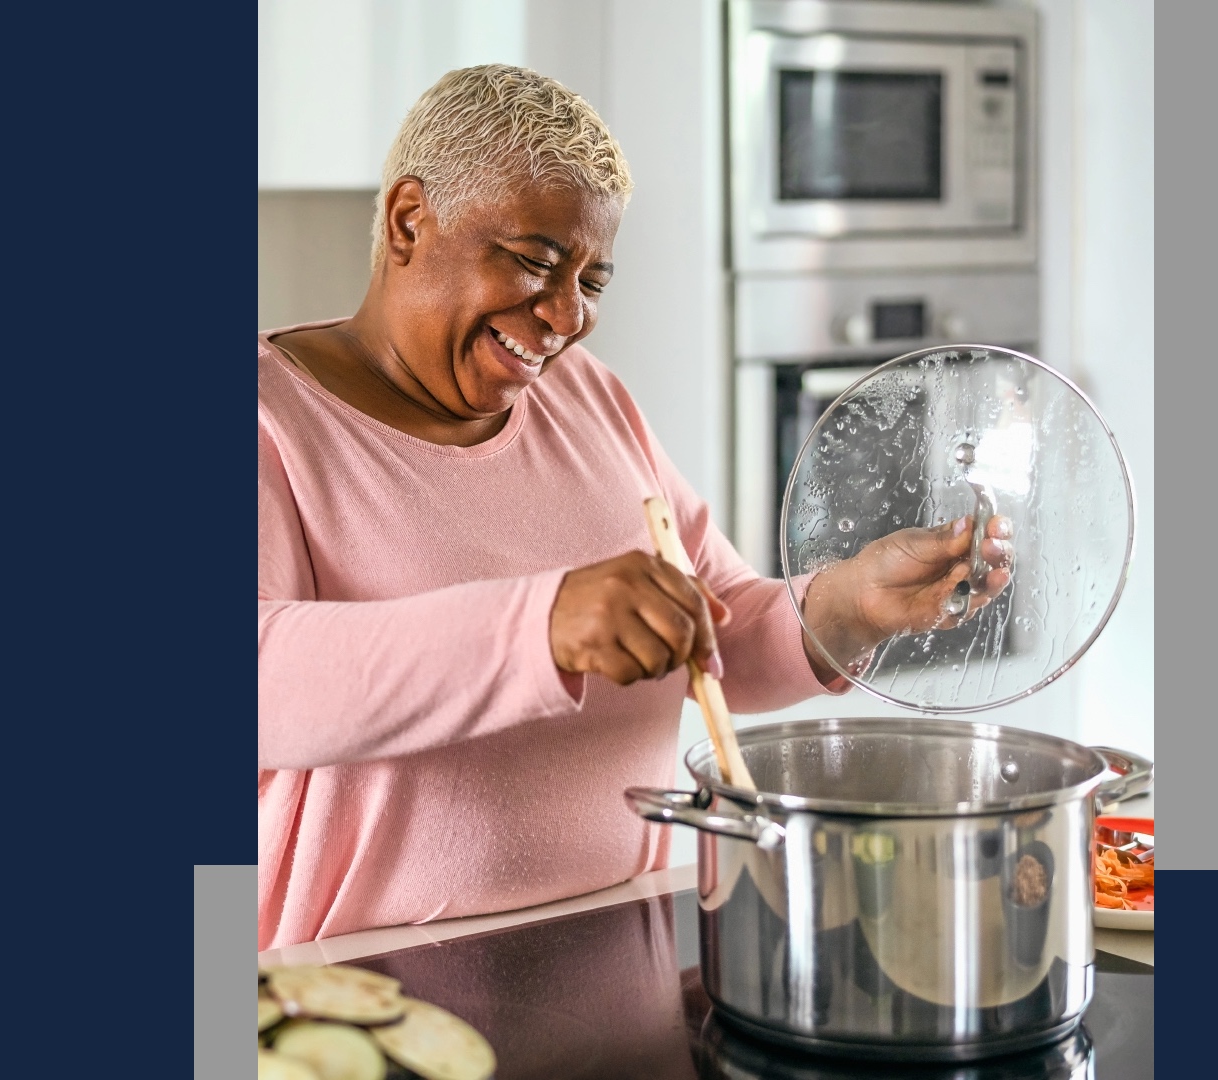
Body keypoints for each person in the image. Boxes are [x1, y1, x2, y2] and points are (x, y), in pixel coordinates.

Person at [256, 65, 1012, 951]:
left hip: (625, 943)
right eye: (536, 262)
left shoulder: (587, 398)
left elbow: (712, 634)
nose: (567, 315)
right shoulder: (269, 419)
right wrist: (539, 626)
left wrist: (843, 606)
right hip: (373, 990)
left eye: (593, 280)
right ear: (409, 221)